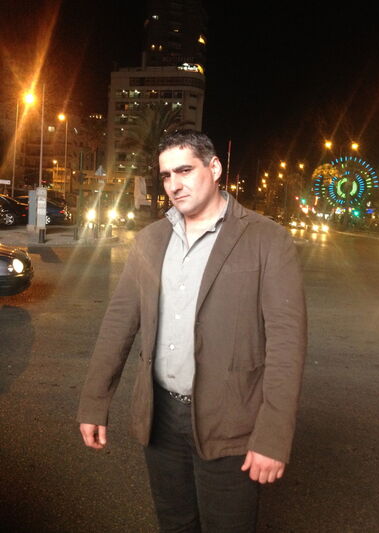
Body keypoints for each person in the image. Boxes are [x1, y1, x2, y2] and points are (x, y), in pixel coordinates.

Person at [77, 130, 307, 532]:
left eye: (184, 170)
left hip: (232, 422)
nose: (174, 184)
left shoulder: (268, 240)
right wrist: (94, 403)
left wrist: (273, 436)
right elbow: (118, 323)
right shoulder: (150, 240)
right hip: (161, 417)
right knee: (175, 523)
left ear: (214, 168)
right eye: (166, 175)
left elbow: (287, 346)